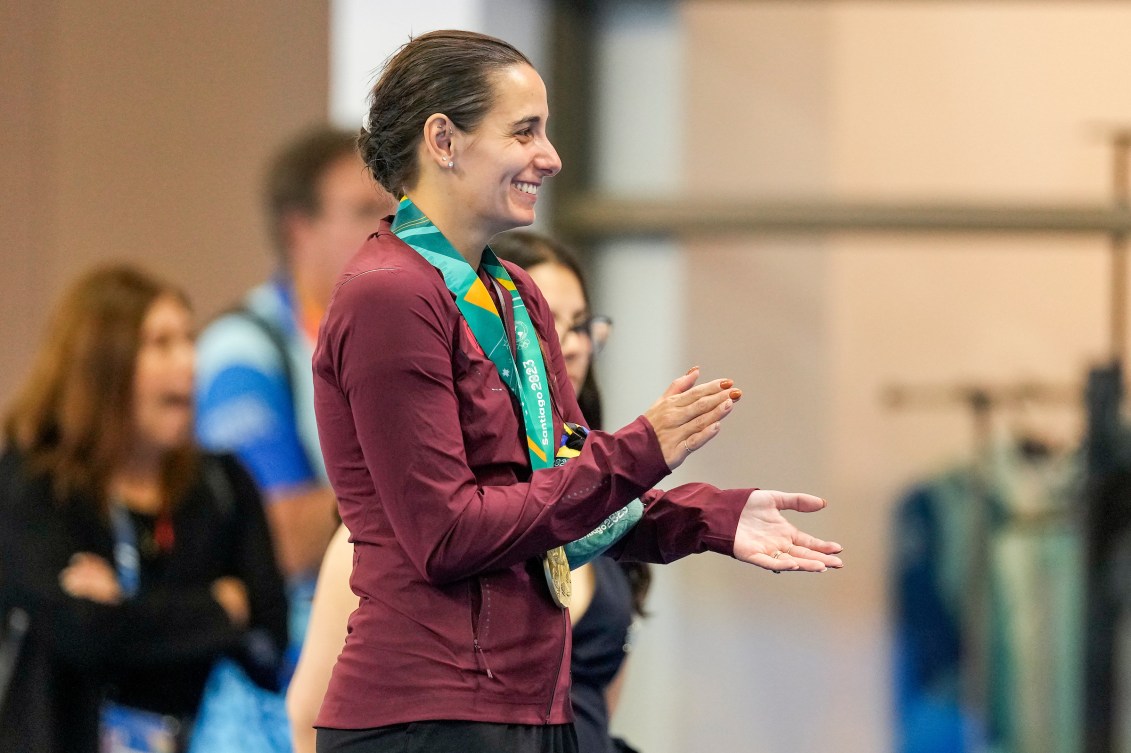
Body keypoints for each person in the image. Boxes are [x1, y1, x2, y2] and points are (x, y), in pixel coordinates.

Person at [312, 29, 843, 753]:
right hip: (426, 715)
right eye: (524, 130)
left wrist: (708, 518)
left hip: (531, 707)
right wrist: (640, 447)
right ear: (443, 139)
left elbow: (563, 489)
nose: (551, 157)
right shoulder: (389, 296)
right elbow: (447, 534)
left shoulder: (515, 292)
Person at [285, 230, 648, 753]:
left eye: (579, 324)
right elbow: (307, 718)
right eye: (542, 322)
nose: (566, 343)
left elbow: (595, 709)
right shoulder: (403, 528)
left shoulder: (600, 505)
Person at [0, 265, 288, 753]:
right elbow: (82, 634)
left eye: (188, 339)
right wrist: (219, 607)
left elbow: (268, 639)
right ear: (102, 365)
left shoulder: (223, 484)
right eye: (161, 343)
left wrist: (124, 612)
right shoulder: (36, 482)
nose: (189, 362)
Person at [194, 126, 397, 665]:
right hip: (281, 674)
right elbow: (277, 535)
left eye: (394, 207)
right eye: (363, 210)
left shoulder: (392, 336)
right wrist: (423, 481)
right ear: (298, 229)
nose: (390, 226)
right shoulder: (241, 353)